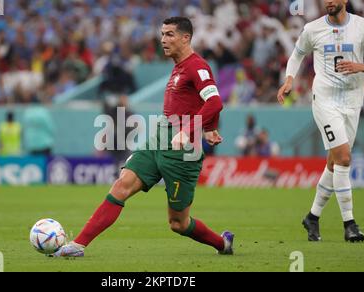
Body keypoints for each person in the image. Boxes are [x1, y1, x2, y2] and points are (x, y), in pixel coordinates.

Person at [52, 17, 233, 257]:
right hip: (159, 136)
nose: (163, 40)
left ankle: (223, 244)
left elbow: (214, 101)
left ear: (185, 37)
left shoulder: (197, 66)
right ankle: (78, 245)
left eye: (169, 34)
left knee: (178, 223)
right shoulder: (178, 66)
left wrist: (188, 131)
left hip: (182, 150)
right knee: (121, 185)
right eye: (162, 34)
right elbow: (198, 102)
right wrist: (209, 127)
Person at [277, 0, 364, 242]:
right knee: (343, 157)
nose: (328, 1)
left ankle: (312, 216)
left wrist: (360, 66)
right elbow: (297, 54)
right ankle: (349, 224)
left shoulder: (362, 26)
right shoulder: (312, 29)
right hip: (325, 100)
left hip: (353, 101)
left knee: (334, 162)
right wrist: (289, 80)